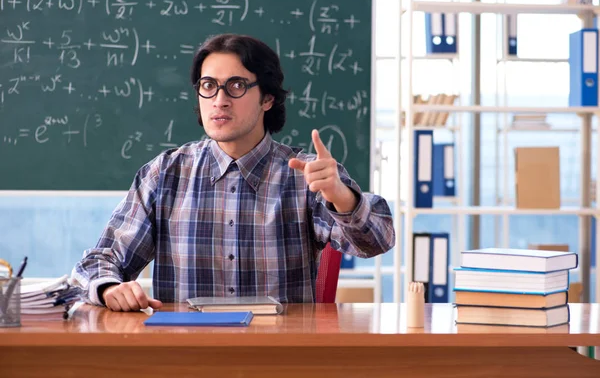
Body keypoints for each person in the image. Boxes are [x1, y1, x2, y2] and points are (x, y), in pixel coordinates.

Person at [71, 34, 395, 312]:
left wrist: (342, 197)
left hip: (280, 357)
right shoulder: (164, 174)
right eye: (208, 86)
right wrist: (108, 288)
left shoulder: (306, 175)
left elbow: (378, 240)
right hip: (186, 355)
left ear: (267, 98)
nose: (220, 100)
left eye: (236, 86)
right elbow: (100, 261)